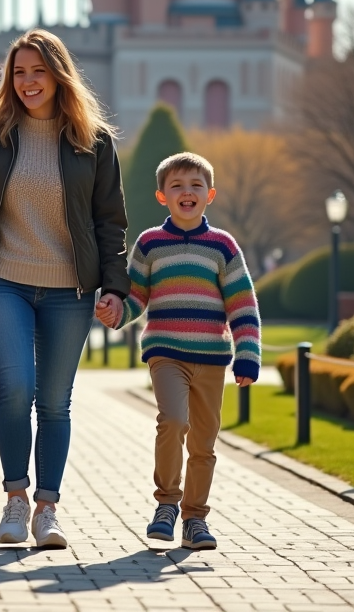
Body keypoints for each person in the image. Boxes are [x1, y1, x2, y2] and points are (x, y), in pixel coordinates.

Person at [0, 28, 130, 549]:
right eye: (19, 72)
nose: (28, 82)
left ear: (58, 75)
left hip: (70, 289)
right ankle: (15, 499)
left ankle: (48, 509)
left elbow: (110, 222)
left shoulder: (93, 142)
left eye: (38, 71)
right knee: (16, 388)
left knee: (54, 402)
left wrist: (114, 288)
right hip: (5, 280)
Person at [95, 152, 261, 550]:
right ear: (161, 196)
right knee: (172, 421)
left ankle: (195, 519)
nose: (187, 192)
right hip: (165, 352)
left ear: (210, 195)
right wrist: (116, 311)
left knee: (204, 442)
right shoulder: (150, 244)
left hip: (211, 359)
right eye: (177, 186)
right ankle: (166, 504)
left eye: (195, 186)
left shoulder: (223, 247)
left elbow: (242, 303)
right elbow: (136, 297)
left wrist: (248, 353)